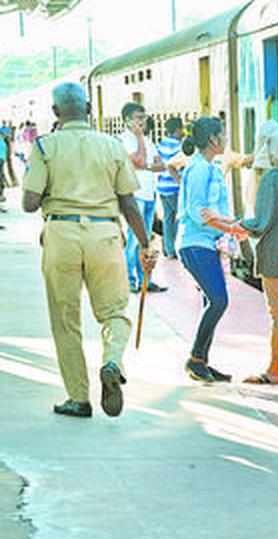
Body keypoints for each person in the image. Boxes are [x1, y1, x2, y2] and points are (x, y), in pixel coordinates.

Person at [21, 82, 155, 418]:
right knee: (114, 312)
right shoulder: (111, 146)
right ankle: (112, 360)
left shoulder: (45, 146)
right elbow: (129, 202)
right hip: (105, 236)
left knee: (65, 320)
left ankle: (79, 398)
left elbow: (29, 202)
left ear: (55, 113)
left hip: (61, 235)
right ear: (89, 110)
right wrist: (145, 243)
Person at [207, 121, 278, 385]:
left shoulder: (270, 180)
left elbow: (261, 222)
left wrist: (233, 224)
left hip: (274, 255)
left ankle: (274, 370)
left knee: (277, 313)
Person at [177, 117, 249, 383]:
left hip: (205, 243)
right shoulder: (199, 169)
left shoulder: (209, 166)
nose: (227, 138)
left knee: (212, 300)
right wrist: (230, 226)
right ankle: (196, 358)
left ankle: (201, 361)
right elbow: (197, 211)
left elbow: (211, 210)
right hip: (194, 243)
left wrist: (230, 226)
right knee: (218, 300)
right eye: (223, 134)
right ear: (212, 140)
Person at [118, 102, 167, 293]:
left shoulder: (148, 141)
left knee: (146, 240)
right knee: (133, 239)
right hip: (135, 195)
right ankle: (129, 280)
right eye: (138, 118)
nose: (143, 122)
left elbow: (160, 165)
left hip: (149, 194)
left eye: (144, 117)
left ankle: (145, 279)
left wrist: (145, 165)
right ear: (127, 121)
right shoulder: (125, 140)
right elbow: (138, 160)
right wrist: (139, 138)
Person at [156, 117, 185, 259]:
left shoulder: (161, 144)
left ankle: (169, 250)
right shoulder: (179, 146)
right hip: (174, 187)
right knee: (179, 218)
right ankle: (178, 248)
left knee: (168, 219)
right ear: (178, 129)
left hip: (162, 187)